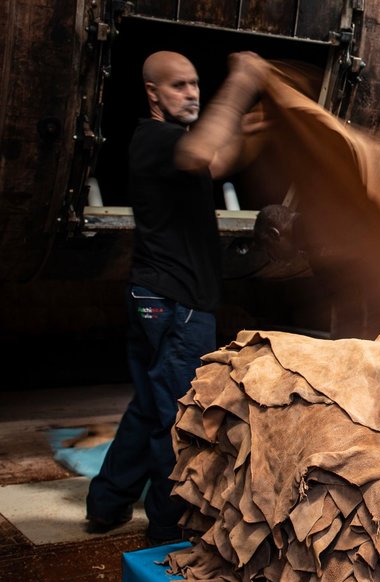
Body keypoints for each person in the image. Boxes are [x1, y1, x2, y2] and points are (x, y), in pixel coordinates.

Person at [86, 51, 265, 543]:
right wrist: (241, 82)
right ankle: (169, 530)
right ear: (153, 94)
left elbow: (217, 158)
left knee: (149, 404)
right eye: (179, 86)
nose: (192, 94)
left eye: (195, 85)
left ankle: (106, 503)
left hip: (156, 300)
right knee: (179, 416)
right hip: (174, 305)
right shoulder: (157, 138)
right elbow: (200, 152)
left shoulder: (174, 145)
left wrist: (250, 131)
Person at [252, 196, 380, 336]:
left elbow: (378, 256)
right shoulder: (314, 247)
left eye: (269, 250)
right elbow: (344, 299)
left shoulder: (323, 220)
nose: (273, 259)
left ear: (275, 234)